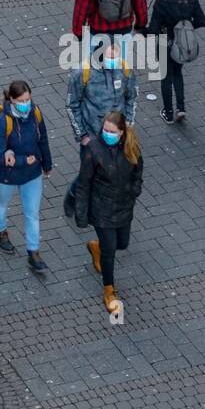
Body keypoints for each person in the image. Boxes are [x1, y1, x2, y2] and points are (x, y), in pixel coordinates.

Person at [76, 109, 142, 315]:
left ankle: (97, 247)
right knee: (111, 251)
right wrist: (81, 212)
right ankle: (109, 290)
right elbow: (83, 182)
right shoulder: (93, 149)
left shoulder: (131, 147)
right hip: (102, 208)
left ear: (121, 132)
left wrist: (134, 190)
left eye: (112, 131)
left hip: (123, 207)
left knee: (122, 243)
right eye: (105, 130)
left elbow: (137, 173)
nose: (107, 134)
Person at [0, 80, 52, 273]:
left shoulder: (36, 112)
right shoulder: (2, 122)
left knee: (32, 214)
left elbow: (43, 138)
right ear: (12, 100)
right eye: (22, 100)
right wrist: (24, 160)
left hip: (32, 174)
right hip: (7, 175)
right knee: (1, 204)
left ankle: (33, 252)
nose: (27, 104)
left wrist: (47, 163)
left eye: (28, 99)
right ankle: (0, 232)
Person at [145, 0, 205, 125]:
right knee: (178, 74)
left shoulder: (161, 1)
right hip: (181, 43)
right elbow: (201, 21)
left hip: (166, 42)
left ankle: (168, 112)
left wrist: (140, 31)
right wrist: (185, 26)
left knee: (165, 77)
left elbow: (153, 30)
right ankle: (181, 108)